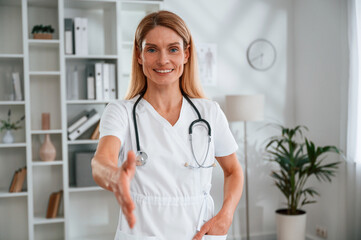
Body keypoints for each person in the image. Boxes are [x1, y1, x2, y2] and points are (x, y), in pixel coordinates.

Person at [91, 10, 244, 240]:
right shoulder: (120, 112)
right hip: (143, 232)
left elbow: (233, 171)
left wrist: (227, 214)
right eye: (152, 49)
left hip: (198, 232)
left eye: (173, 49)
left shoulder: (208, 112)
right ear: (139, 55)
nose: (163, 60)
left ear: (186, 54)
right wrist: (115, 177)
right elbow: (101, 162)